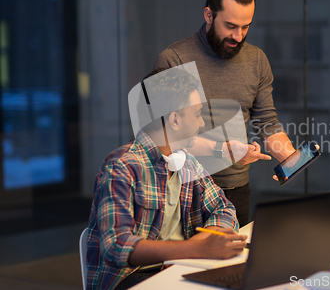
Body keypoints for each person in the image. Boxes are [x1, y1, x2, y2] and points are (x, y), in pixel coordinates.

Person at [153, 0, 296, 226]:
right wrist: (222, 150)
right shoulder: (174, 60)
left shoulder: (256, 60)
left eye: (246, 27)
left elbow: (267, 123)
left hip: (236, 191)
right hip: (183, 190)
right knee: (184, 267)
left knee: (234, 267)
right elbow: (165, 137)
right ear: (209, 15)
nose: (238, 36)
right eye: (230, 26)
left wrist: (290, 158)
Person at [86, 68, 247, 290]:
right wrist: (198, 249)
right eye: (197, 114)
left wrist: (205, 243)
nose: (201, 124)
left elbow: (223, 208)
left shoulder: (185, 161)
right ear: (174, 120)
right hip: (131, 279)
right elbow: (117, 246)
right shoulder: (122, 166)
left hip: (182, 267)